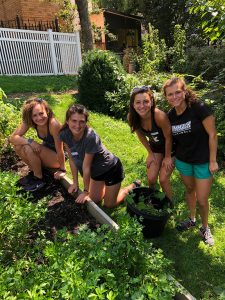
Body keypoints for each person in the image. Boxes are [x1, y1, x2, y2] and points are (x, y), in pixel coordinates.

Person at [163, 77, 218, 246]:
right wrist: (171, 156)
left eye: (178, 92)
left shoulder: (198, 108)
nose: (175, 97)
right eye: (170, 94)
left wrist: (212, 160)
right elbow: (172, 140)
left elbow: (212, 134)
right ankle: (192, 219)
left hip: (202, 162)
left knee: (202, 199)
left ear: (185, 91)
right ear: (166, 97)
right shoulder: (170, 116)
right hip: (183, 161)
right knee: (189, 188)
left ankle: (204, 227)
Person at [59, 104, 140, 208]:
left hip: (111, 169)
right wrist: (75, 183)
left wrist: (86, 191)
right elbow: (72, 160)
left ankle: (132, 187)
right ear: (67, 121)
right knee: (95, 200)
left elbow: (86, 166)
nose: (78, 125)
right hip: (96, 173)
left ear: (86, 122)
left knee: (109, 205)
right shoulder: (64, 134)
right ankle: (109, 190)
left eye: (82, 121)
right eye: (74, 121)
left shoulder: (90, 137)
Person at [128, 85, 174, 200]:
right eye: (138, 102)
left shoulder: (159, 116)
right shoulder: (132, 117)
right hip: (156, 148)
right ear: (133, 104)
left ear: (152, 102)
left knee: (163, 179)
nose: (142, 106)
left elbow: (169, 138)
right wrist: (150, 153)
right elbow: (140, 135)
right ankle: (152, 197)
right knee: (151, 178)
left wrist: (167, 157)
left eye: (145, 101)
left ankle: (169, 204)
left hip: (172, 148)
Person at [10, 98, 66, 192]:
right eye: (34, 115)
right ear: (30, 117)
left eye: (41, 113)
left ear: (47, 111)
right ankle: (34, 172)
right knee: (18, 145)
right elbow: (13, 138)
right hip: (46, 152)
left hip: (57, 157)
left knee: (27, 148)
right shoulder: (30, 121)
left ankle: (39, 179)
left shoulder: (53, 124)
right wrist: (31, 141)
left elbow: (60, 150)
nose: (39, 118)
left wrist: (62, 169)